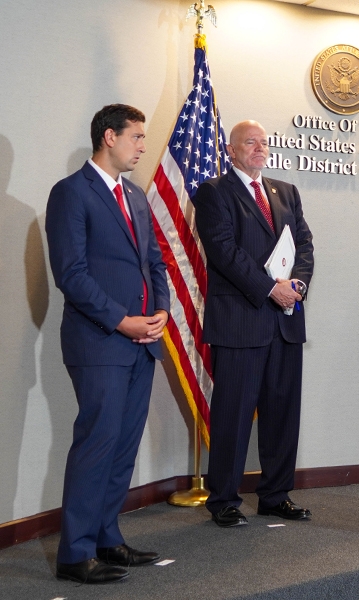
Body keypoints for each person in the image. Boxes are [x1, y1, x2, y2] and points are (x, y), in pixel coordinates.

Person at [46, 104, 170, 583]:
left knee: (122, 445)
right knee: (97, 444)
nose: (142, 145)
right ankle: (75, 554)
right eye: (137, 137)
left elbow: (154, 263)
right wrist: (123, 322)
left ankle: (106, 538)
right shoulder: (71, 194)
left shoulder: (136, 197)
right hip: (99, 342)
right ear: (109, 137)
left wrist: (159, 311)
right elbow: (71, 275)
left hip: (143, 344)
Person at [193, 120, 314, 527]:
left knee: (283, 414)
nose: (259, 148)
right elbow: (224, 252)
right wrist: (269, 289)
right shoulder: (213, 193)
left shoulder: (287, 193)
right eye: (250, 142)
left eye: (264, 142)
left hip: (285, 321)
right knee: (234, 414)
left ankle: (275, 495)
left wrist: (296, 284)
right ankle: (224, 499)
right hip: (241, 322)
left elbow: (305, 245)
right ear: (231, 149)